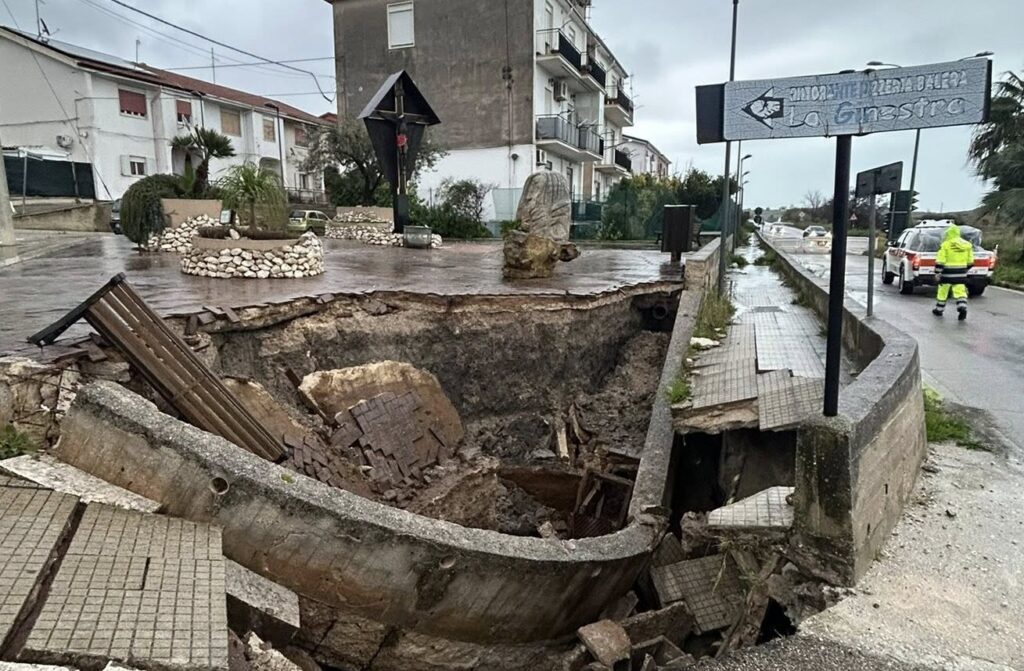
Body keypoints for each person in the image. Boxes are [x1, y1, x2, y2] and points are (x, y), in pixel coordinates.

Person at [932, 224, 974, 321]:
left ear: (948, 234)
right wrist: (964, 269)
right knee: (960, 291)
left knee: (943, 291)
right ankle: (962, 307)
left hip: (947, 273)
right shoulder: (967, 245)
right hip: (961, 273)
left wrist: (937, 272)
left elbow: (941, 261)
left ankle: (939, 309)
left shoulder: (945, 245)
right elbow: (971, 261)